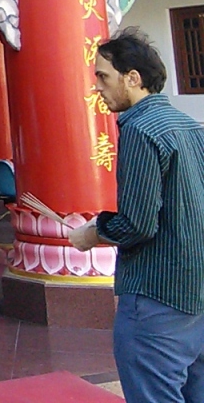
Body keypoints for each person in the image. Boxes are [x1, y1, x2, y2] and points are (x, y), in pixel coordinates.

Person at [68, 29, 204, 403]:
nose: (97, 87)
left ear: (132, 78)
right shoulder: (190, 125)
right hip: (196, 292)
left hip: (157, 293)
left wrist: (92, 233)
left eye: (103, 76)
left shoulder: (140, 129)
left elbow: (137, 224)